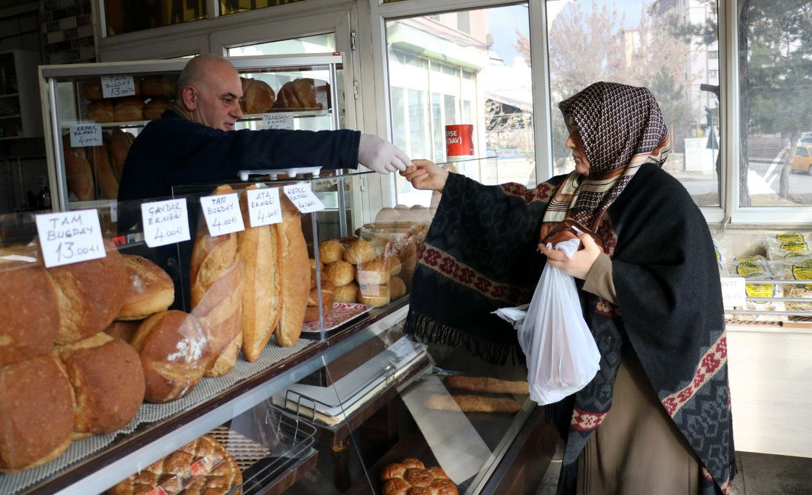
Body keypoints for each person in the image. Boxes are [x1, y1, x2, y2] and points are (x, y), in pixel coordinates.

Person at [401, 82, 735, 494]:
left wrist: (598, 269)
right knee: (598, 475)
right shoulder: (581, 189)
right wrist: (447, 183)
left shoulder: (662, 201)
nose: (570, 140)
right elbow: (519, 208)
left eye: (581, 131)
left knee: (640, 477)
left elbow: (684, 301)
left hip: (647, 386)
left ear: (613, 135)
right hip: (593, 376)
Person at [117, 53, 411, 308]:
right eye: (227, 100)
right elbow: (248, 148)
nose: (239, 112)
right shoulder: (169, 137)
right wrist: (352, 146)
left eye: (240, 101)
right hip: (165, 299)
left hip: (188, 293)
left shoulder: (191, 144)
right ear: (191, 98)